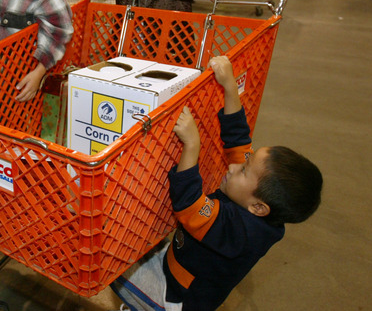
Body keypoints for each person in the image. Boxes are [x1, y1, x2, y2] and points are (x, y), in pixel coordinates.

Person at [110, 55, 323, 311]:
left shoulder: (242, 232)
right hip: (175, 262)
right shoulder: (255, 198)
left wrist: (192, 145)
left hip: (176, 297)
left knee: (108, 260)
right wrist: (230, 86)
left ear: (258, 207)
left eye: (243, 170)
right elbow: (239, 141)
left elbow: (188, 205)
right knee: (133, 242)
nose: (233, 167)